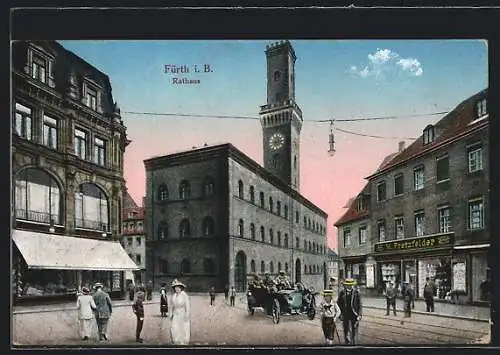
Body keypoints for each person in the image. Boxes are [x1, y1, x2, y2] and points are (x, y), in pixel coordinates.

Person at [337, 278, 362, 345]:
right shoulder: (342, 292)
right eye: (348, 285)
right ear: (345, 285)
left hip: (354, 313)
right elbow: (338, 304)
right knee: (345, 327)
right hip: (345, 313)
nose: (349, 286)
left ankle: (353, 340)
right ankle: (346, 339)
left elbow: (359, 304)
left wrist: (359, 315)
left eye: (350, 285)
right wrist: (339, 314)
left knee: (354, 327)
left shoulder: (356, 293)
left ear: (352, 285)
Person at [170, 279, 190, 345]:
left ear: (181, 288)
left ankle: (183, 342)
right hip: (175, 314)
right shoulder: (174, 296)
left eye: (178, 288)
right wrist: (171, 314)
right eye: (175, 288)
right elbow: (171, 306)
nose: (177, 289)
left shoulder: (184, 295)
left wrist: (187, 314)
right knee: (174, 327)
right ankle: (176, 341)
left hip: (182, 313)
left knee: (183, 328)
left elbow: (187, 305)